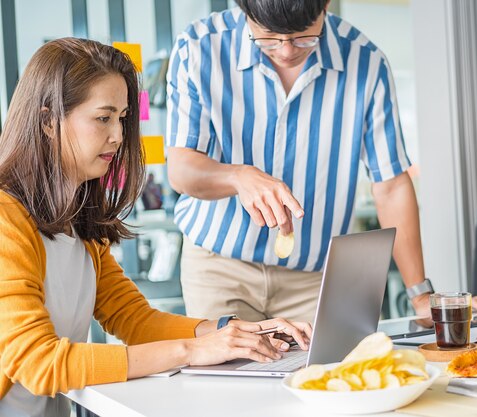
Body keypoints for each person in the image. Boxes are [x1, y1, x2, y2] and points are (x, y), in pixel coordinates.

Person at [0, 38, 310, 417]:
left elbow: (136, 320)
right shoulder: (5, 219)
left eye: (122, 117)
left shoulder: (78, 220)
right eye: (103, 117)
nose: (117, 135)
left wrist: (237, 332)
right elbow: (39, 362)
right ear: (48, 121)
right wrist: (195, 350)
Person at [166, 0, 477, 325]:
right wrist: (238, 177)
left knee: (336, 374)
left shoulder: (365, 62)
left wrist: (420, 295)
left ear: (324, 7)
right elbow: (181, 170)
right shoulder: (198, 48)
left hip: (316, 279)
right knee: (226, 375)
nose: (285, 52)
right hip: (218, 268)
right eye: (267, 38)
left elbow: (391, 185)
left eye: (303, 38)